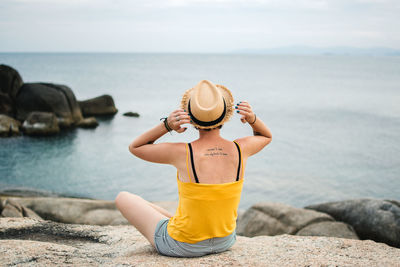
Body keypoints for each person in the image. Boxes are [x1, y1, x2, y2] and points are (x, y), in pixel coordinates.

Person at [115, 80, 272, 257]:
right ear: (225, 115)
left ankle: (180, 226)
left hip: (183, 246)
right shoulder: (240, 148)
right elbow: (266, 136)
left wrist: (166, 125)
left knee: (124, 197)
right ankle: (179, 223)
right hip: (226, 241)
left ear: (190, 117)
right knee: (162, 213)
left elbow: (135, 147)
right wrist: (252, 119)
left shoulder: (183, 152)